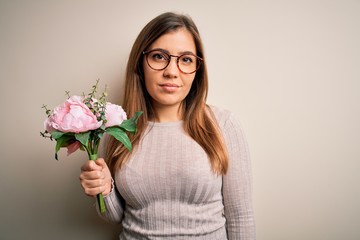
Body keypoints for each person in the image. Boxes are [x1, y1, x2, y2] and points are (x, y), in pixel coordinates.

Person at [79, 12, 255, 239]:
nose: (172, 71)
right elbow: (115, 216)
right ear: (140, 63)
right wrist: (104, 189)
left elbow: (241, 217)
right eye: (159, 57)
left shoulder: (223, 125)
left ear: (197, 69)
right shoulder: (116, 131)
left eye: (186, 59)